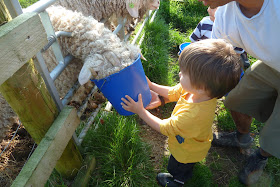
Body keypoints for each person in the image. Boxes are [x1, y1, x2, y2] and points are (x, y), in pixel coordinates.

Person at [121, 39, 242, 187]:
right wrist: (152, 85)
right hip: (191, 139)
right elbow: (173, 92)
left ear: (201, 87)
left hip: (187, 150)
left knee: (177, 167)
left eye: (184, 73)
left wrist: (140, 112)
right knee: (183, 165)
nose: (179, 73)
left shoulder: (192, 115)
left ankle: (178, 181)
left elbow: (165, 127)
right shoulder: (200, 92)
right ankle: (184, 173)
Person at [198, 0, 280, 185]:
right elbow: (219, 59)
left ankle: (262, 155)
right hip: (273, 64)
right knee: (236, 98)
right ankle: (242, 137)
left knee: (276, 128)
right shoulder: (225, 15)